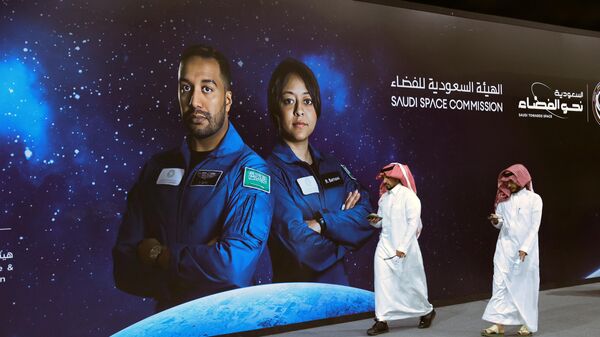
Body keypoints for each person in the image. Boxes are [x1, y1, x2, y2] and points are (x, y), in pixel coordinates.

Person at [112, 44, 273, 311]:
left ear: (227, 100)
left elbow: (233, 269)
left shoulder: (250, 171)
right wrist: (201, 261)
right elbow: (123, 268)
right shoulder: (156, 168)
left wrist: (159, 254)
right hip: (169, 322)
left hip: (228, 326)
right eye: (186, 88)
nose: (194, 101)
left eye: (207, 89)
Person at [266, 58, 374, 285]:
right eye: (288, 101)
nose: (299, 111)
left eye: (307, 101)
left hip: (339, 292)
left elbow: (371, 218)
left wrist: (322, 224)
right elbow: (302, 249)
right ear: (276, 110)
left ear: (316, 108)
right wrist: (347, 235)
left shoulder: (333, 165)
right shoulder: (268, 173)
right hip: (295, 301)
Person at [367, 162, 435, 336]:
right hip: (384, 246)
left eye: (387, 177)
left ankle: (427, 311)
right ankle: (381, 320)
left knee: (412, 283)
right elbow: (382, 223)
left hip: (406, 248)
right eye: (383, 177)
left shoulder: (409, 197)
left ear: (397, 177)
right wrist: (375, 221)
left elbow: (413, 223)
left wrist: (403, 247)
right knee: (382, 283)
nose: (384, 180)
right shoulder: (384, 198)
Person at [482, 164, 542, 336]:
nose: (509, 185)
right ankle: (498, 324)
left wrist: (525, 248)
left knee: (524, 286)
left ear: (521, 180)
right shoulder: (503, 200)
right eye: (506, 182)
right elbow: (502, 224)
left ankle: (527, 324)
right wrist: (496, 220)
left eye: (512, 181)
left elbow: (534, 227)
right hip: (504, 248)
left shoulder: (534, 199)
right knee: (499, 284)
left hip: (525, 251)